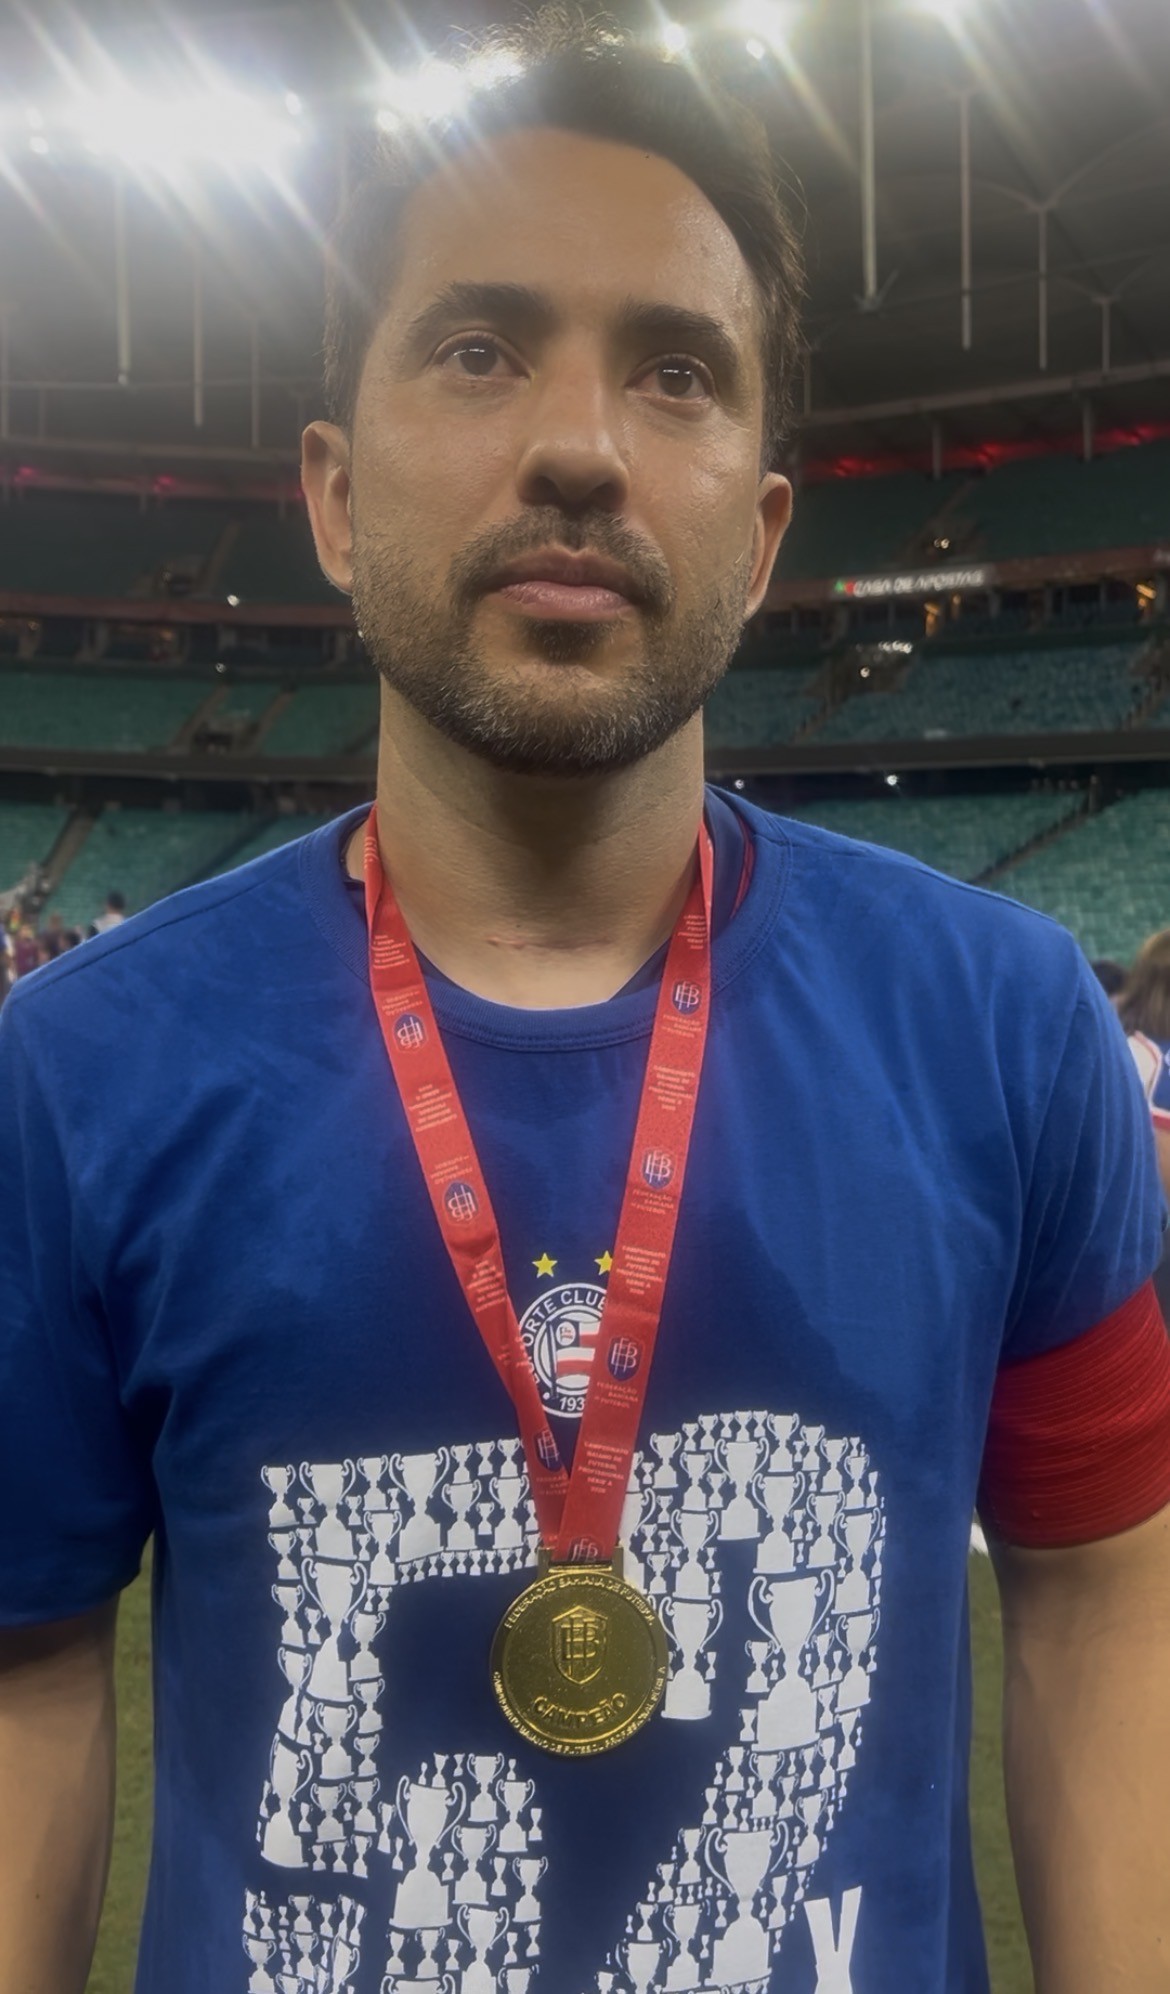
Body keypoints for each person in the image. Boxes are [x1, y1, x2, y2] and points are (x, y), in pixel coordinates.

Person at [2, 14, 1170, 1994]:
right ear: (333, 493)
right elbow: (27, 1673)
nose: (579, 443)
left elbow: (1103, 1595)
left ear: (763, 529)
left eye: (676, 371)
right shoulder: (72, 1072)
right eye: (478, 349)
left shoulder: (1006, 1025)